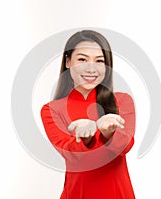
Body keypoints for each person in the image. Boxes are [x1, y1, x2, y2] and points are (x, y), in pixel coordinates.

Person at [40, 30, 136, 199]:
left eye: (99, 61)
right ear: (68, 62)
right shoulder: (52, 110)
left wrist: (107, 132)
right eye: (82, 59)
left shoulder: (122, 101)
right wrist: (87, 137)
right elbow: (69, 153)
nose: (91, 68)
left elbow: (125, 147)